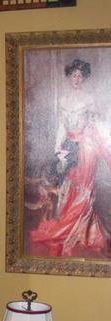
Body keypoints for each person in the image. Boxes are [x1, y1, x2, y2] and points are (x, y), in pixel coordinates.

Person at [29, 59, 111, 257]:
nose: (76, 79)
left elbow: (96, 126)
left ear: (84, 78)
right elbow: (62, 128)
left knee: (84, 187)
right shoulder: (63, 100)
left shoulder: (90, 99)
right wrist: (58, 148)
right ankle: (70, 226)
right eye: (73, 75)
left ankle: (84, 231)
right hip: (69, 146)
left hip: (86, 148)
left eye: (80, 76)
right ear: (68, 77)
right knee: (69, 186)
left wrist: (98, 146)